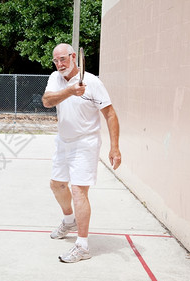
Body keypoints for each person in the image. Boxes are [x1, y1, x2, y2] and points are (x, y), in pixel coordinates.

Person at [42, 43, 121, 263]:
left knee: (78, 191)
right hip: (63, 141)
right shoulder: (55, 78)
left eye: (63, 59)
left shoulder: (94, 83)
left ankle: (83, 246)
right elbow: (47, 101)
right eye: (56, 60)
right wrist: (70, 91)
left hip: (86, 143)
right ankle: (69, 220)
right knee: (56, 185)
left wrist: (115, 147)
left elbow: (110, 115)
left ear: (74, 57)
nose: (60, 64)